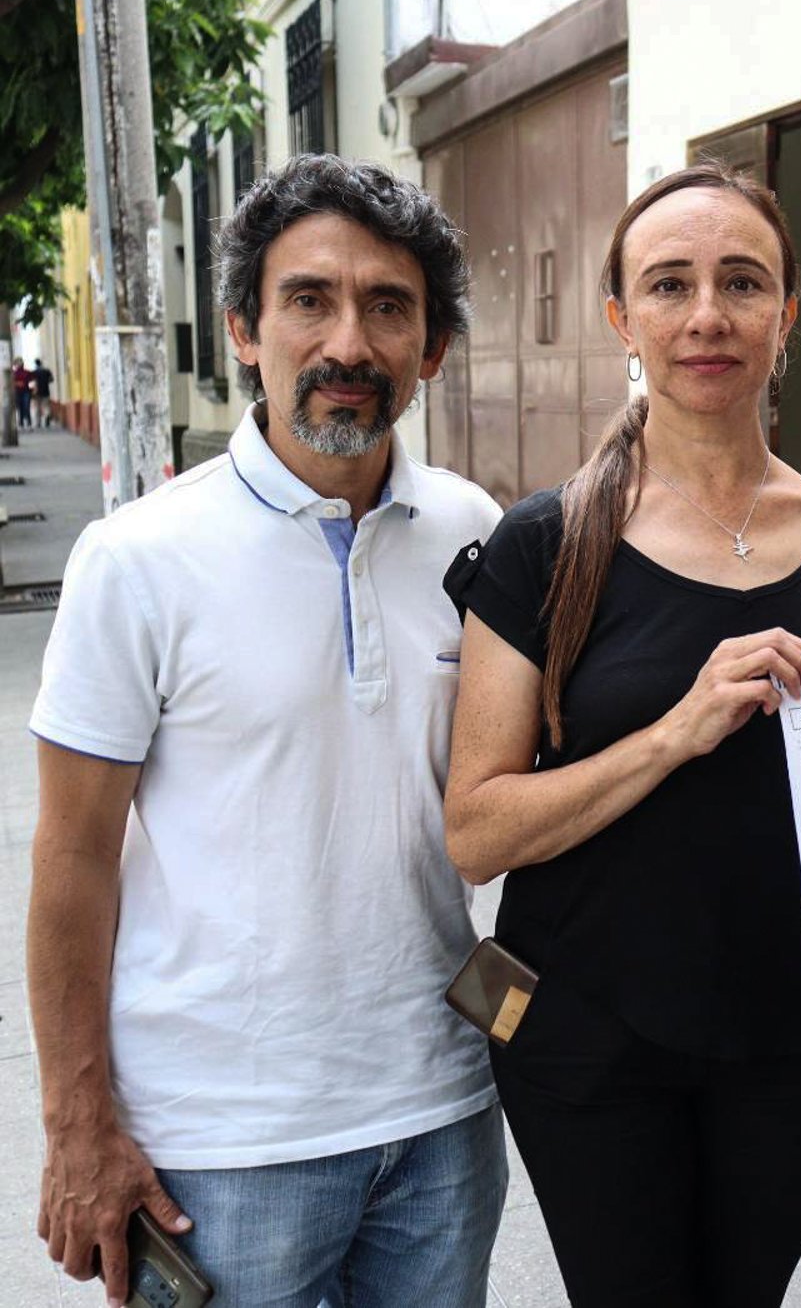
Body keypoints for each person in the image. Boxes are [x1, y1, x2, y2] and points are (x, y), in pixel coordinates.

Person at [442, 161, 801, 1306]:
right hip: (584, 1039)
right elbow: (476, 831)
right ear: (623, 318)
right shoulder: (543, 545)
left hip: (794, 1035)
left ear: (785, 313)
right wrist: (675, 731)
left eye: (741, 282)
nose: (707, 314)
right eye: (669, 284)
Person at [27, 153, 506, 1307]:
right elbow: (73, 857)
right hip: (219, 1146)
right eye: (308, 300)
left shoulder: (475, 532)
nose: (348, 343)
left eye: (387, 307)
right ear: (245, 329)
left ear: (431, 348)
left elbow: (516, 804)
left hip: (443, 1121)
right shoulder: (136, 558)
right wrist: (79, 1127)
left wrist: (509, 1026)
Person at [31, 357, 53, 428]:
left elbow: (32, 382)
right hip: (46, 391)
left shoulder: (34, 372)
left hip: (37, 392)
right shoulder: (47, 371)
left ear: (35, 364)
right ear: (41, 363)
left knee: (37, 408)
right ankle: (47, 416)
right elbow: (51, 379)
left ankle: (38, 423)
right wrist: (45, 382)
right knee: (46, 406)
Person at [11, 357, 28, 429]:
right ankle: (21, 422)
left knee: (26, 407)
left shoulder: (26, 372)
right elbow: (10, 382)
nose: (20, 364)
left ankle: (27, 422)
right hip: (17, 392)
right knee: (19, 407)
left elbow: (31, 381)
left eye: (20, 362)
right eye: (18, 363)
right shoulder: (13, 373)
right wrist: (17, 383)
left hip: (26, 392)